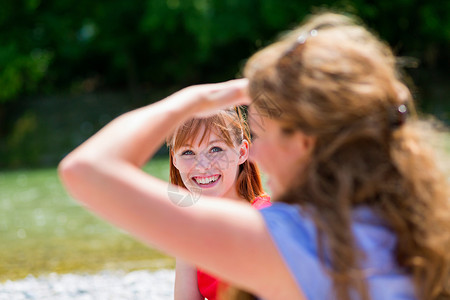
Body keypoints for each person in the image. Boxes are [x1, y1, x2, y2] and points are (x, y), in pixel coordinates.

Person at [58, 12, 450, 300]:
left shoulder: (293, 241)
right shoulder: (426, 225)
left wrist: (195, 99)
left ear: (305, 142)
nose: (254, 152)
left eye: (259, 136)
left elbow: (86, 169)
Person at [166, 108, 271, 300]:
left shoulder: (264, 221)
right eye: (188, 152)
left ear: (242, 152)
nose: (203, 165)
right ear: (174, 159)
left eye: (215, 149)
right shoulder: (192, 229)